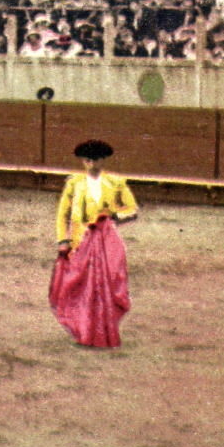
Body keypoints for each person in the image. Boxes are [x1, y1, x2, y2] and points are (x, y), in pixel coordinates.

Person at [51, 140, 137, 349]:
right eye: (86, 159)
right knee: (82, 286)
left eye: (94, 159)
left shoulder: (116, 182)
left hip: (107, 241)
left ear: (102, 160)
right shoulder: (73, 183)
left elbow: (132, 210)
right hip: (80, 241)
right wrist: (63, 240)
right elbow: (62, 214)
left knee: (107, 283)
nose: (90, 162)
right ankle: (85, 330)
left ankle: (101, 329)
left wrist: (114, 217)